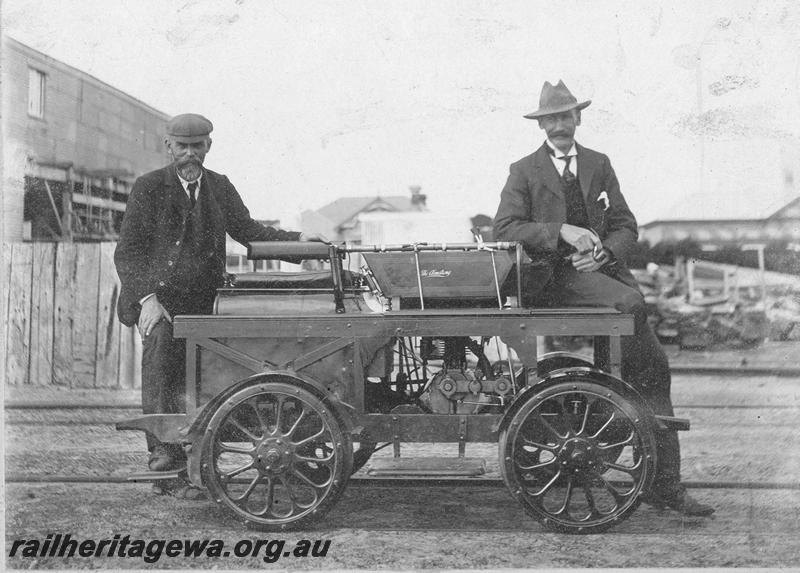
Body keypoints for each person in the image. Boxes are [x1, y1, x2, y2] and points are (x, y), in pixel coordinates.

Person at [493, 81, 714, 517]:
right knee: (632, 310)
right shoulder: (524, 170)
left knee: (653, 370)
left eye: (565, 116)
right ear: (541, 125)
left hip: (601, 275)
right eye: (550, 119)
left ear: (578, 118)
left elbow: (626, 225)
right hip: (553, 279)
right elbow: (503, 228)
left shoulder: (599, 163)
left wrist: (606, 253)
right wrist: (560, 231)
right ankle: (646, 462)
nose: (559, 125)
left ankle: (660, 480)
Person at [115, 113, 325, 495]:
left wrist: (300, 240)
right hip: (160, 304)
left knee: (209, 382)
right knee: (162, 367)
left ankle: (202, 462)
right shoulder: (149, 187)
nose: (190, 154)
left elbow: (251, 231)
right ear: (169, 146)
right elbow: (128, 253)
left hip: (206, 304)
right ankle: (165, 465)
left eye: (197, 146)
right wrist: (147, 300)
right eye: (183, 146)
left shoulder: (220, 187)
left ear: (208, 146)